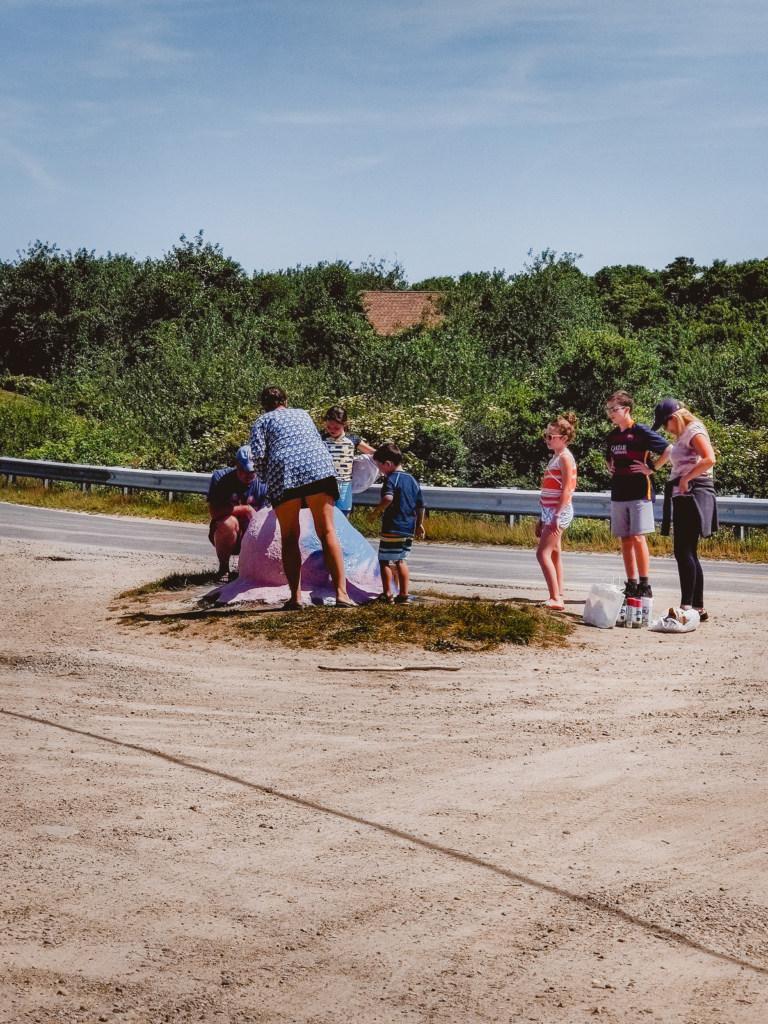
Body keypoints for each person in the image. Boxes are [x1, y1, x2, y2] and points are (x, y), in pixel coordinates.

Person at [249, 386, 354, 609]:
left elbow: (258, 456)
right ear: (285, 401)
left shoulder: (261, 422)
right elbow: (314, 440)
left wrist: (267, 479)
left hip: (283, 472)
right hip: (319, 469)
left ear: (264, 406)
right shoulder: (303, 414)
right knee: (327, 531)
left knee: (289, 536)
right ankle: (342, 594)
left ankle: (295, 598)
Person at [654, 398, 717, 621]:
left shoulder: (693, 430)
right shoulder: (684, 434)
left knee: (683, 550)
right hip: (685, 493)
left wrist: (686, 478)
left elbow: (709, 458)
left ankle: (687, 606)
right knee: (688, 551)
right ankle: (697, 608)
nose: (665, 429)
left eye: (665, 424)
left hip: (693, 492)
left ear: (674, 417)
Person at [605, 391, 672, 601]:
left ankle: (644, 584)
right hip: (619, 492)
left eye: (614, 409)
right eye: (608, 410)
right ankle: (631, 584)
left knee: (637, 536)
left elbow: (668, 449)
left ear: (626, 409)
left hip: (640, 492)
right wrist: (609, 466)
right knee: (625, 538)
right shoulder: (612, 435)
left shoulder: (641, 431)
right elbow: (608, 457)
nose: (611, 413)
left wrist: (652, 468)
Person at [368, 442, 425, 604]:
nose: (380, 470)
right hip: (408, 527)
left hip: (393, 526)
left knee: (384, 560)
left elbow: (388, 498)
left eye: (380, 466)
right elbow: (421, 506)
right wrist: (419, 525)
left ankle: (387, 594)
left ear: (388, 464)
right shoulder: (413, 480)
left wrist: (375, 511)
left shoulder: (391, 479)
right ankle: (404, 595)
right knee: (401, 560)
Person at [535, 413, 578, 610]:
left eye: (551, 436)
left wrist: (556, 516)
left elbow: (567, 490)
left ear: (565, 438)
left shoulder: (565, 458)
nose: (547, 439)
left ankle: (555, 599)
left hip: (557, 511)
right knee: (554, 553)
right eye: (546, 435)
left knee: (542, 553)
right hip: (550, 511)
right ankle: (558, 594)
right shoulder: (557, 457)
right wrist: (543, 517)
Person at [207, 445, 269, 582]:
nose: (249, 475)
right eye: (245, 471)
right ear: (237, 465)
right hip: (225, 534)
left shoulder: (264, 482)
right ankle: (224, 568)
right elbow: (214, 511)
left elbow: (267, 516)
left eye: (252, 471)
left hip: (253, 534)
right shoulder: (221, 478)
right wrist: (246, 509)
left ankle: (254, 570)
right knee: (229, 523)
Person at [320, 406, 374, 517]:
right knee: (325, 516)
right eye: (328, 427)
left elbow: (373, 453)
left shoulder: (352, 439)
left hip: (345, 483)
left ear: (344, 424)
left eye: (336, 427)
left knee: (344, 515)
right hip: (325, 484)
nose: (332, 430)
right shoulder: (321, 439)